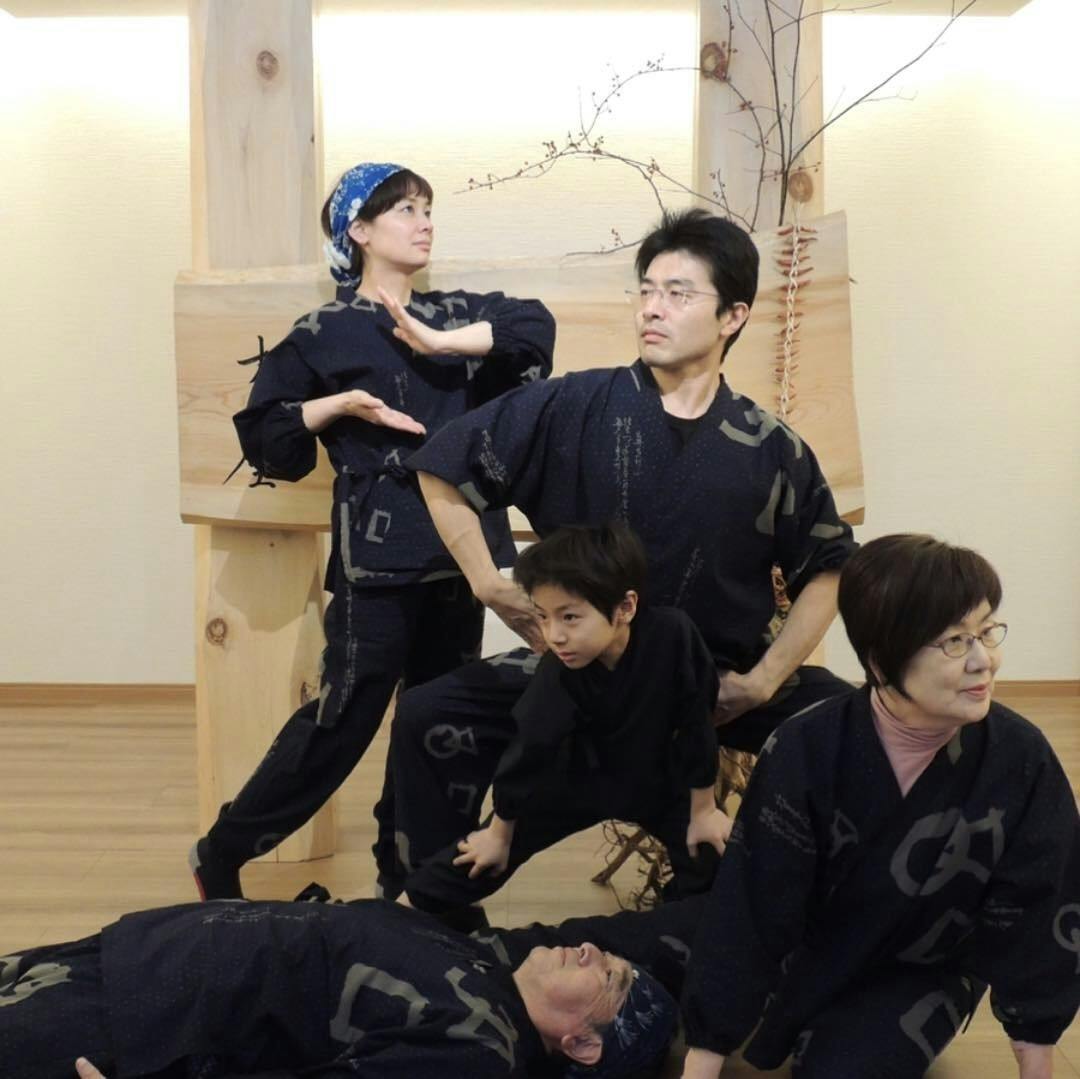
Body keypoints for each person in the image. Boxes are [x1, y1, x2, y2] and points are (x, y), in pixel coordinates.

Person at [378, 207, 856, 891]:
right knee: (430, 712)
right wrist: (487, 582)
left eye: (678, 294)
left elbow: (829, 567)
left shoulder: (771, 445)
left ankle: (783, 902)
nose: (652, 308)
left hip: (706, 685)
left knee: (851, 724)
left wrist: (763, 680)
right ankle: (435, 911)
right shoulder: (575, 404)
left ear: (733, 316)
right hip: (576, 674)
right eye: (647, 290)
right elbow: (443, 462)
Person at [189, 163, 555, 900]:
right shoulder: (324, 332)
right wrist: (338, 406)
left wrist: (439, 342)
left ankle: (414, 881)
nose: (425, 221)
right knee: (343, 719)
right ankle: (221, 852)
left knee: (440, 726)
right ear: (357, 230)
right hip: (377, 562)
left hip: (463, 557)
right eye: (405, 210)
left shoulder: (456, 314)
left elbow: (534, 327)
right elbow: (266, 435)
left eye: (428, 207)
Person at [679, 534, 1080, 1079]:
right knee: (620, 971)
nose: (984, 660)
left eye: (987, 632)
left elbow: (1040, 909)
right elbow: (752, 903)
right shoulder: (807, 748)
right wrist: (702, 1064)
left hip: (923, 970)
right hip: (810, 947)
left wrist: (1037, 1062)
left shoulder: (1020, 758)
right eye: (955, 641)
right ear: (881, 659)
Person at [0, 892, 705, 1079]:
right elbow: (654, 928)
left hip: (137, 1024)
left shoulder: (481, 1052)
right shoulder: (495, 961)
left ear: (583, 1044)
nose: (592, 951)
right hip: (136, 952)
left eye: (608, 976)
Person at [401, 522, 730, 919]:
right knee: (482, 857)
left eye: (570, 617)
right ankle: (392, 916)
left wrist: (703, 810)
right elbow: (527, 751)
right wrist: (499, 834)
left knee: (712, 857)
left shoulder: (673, 635)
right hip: (576, 780)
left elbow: (696, 721)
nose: (554, 635)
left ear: (626, 607)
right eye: (543, 617)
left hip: (658, 778)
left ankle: (672, 933)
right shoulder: (557, 673)